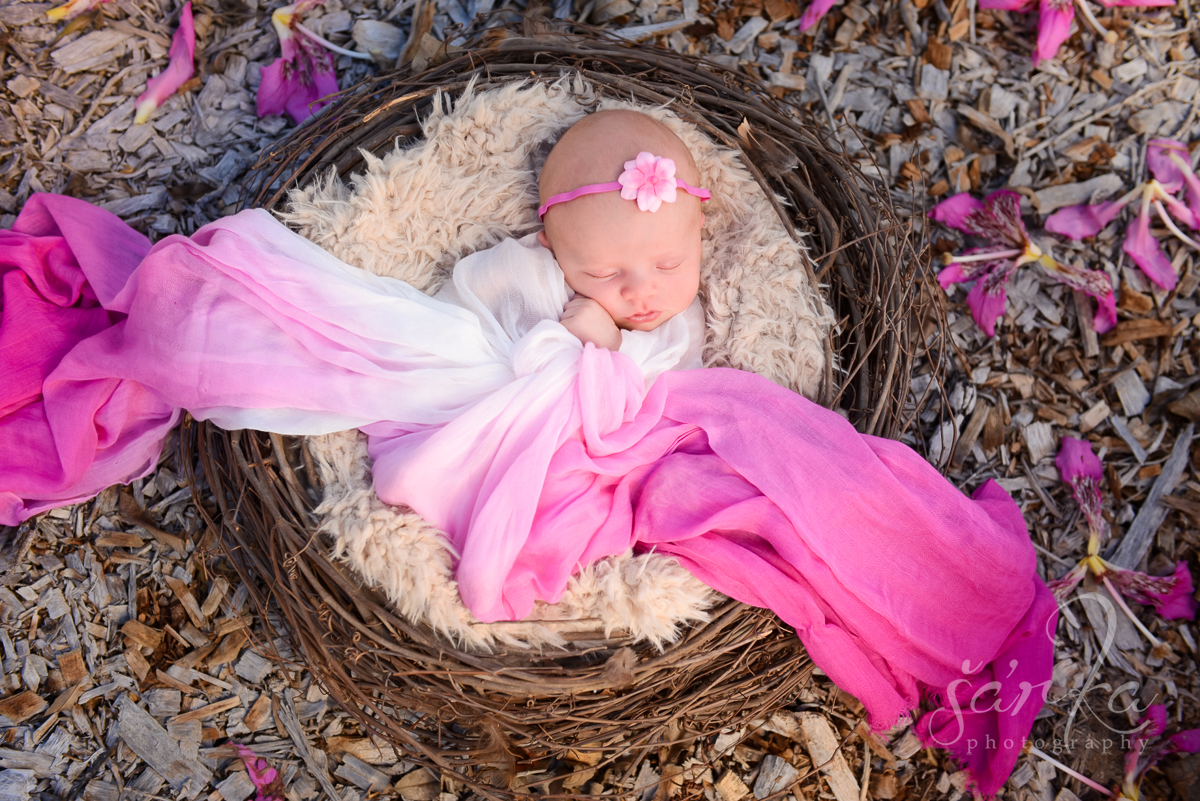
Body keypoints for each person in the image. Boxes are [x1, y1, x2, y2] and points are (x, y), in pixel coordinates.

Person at [0, 109, 1055, 797]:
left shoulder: (695, 313)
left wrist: (619, 365)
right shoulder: (527, 277)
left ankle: (945, 596)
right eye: (608, 273)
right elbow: (475, 338)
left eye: (664, 264)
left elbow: (678, 386)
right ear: (553, 251)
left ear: (698, 240)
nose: (641, 291)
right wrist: (571, 342)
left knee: (795, 467)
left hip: (635, 433)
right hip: (519, 430)